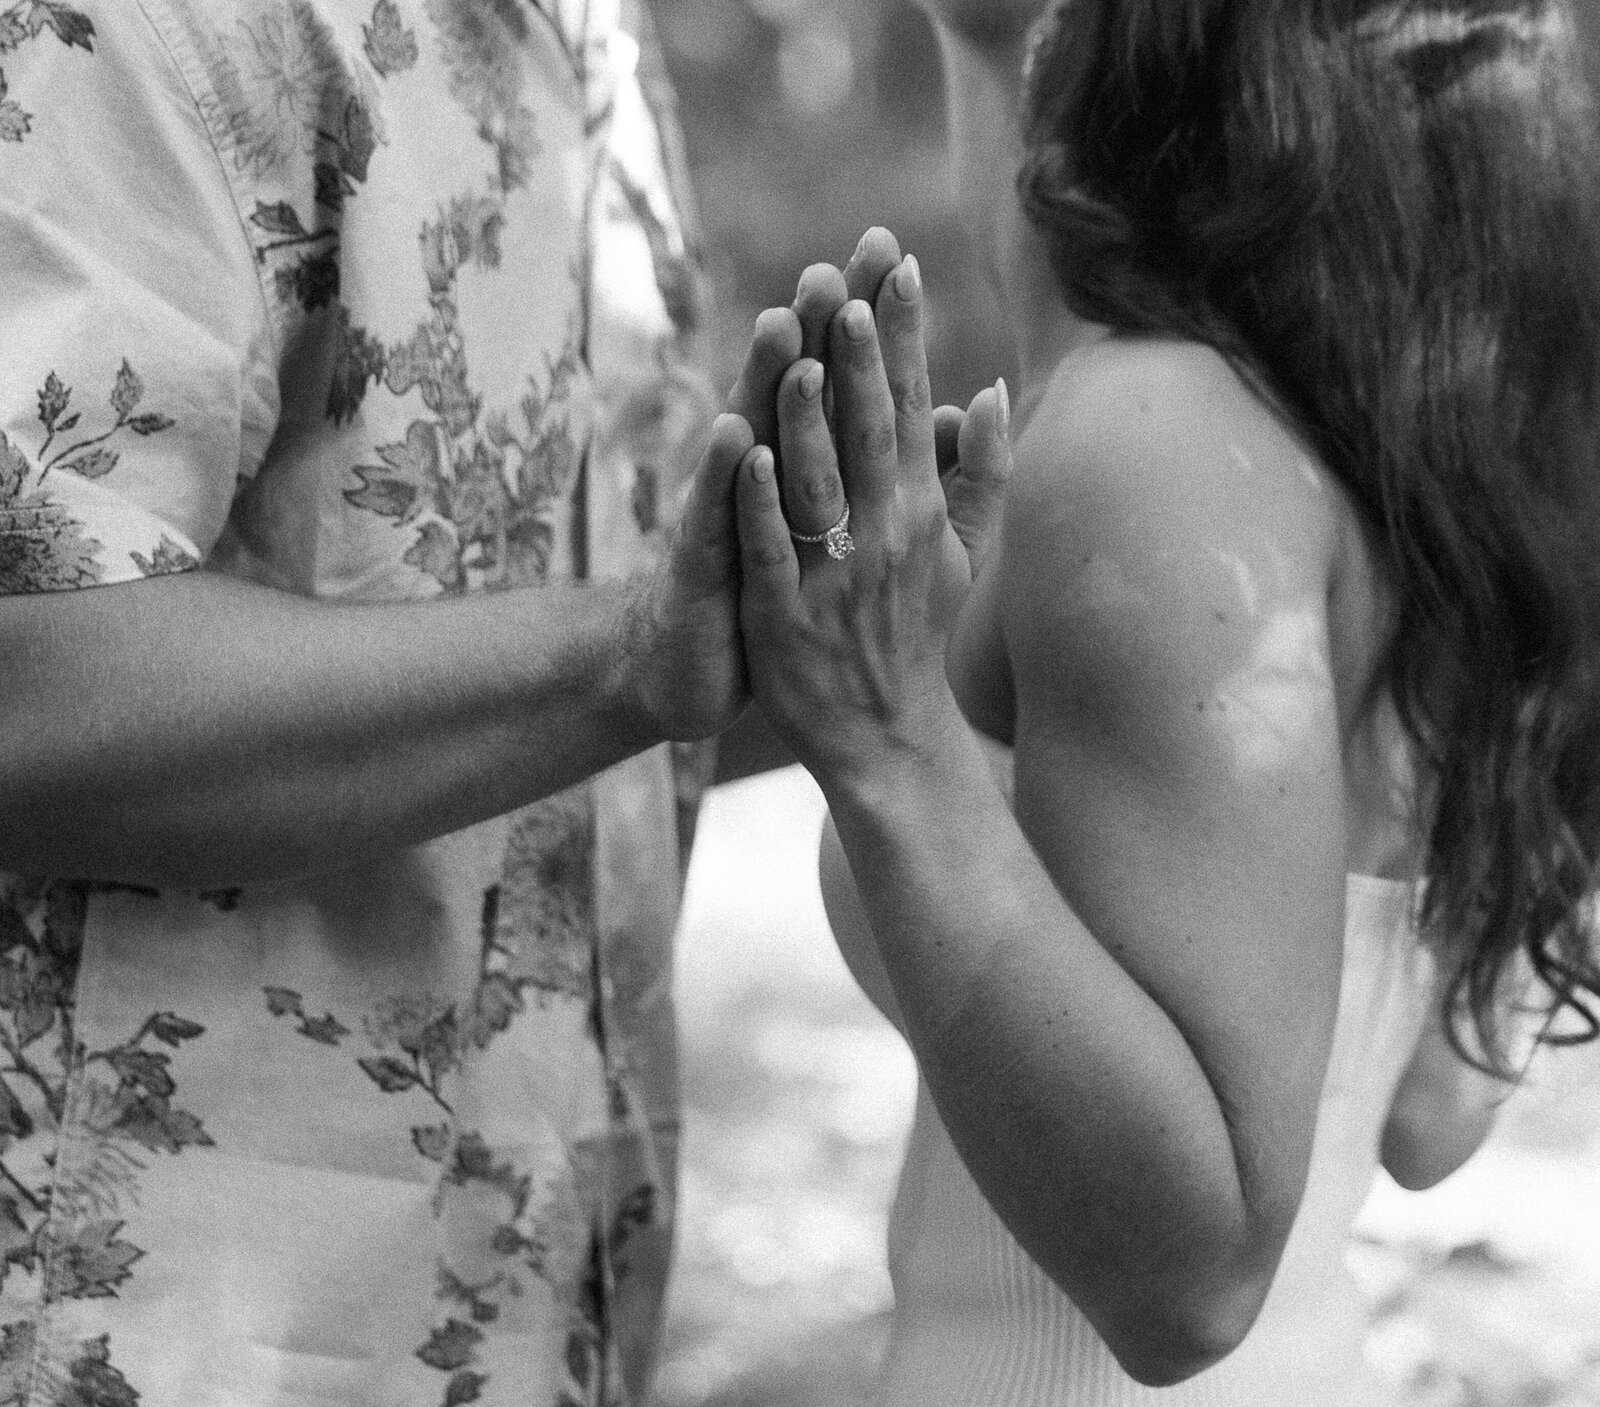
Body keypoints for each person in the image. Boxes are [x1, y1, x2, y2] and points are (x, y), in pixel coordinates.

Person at [0, 3, 922, 1402]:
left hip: (525, 1322)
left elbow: (553, 704)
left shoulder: (598, 37)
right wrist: (622, 659)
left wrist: (850, 632)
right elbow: (29, 684)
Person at [721, 0, 1600, 1402]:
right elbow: (1430, 1119)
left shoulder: (1166, 439)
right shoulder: (1424, 493)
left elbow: (1190, 1290)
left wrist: (888, 741)